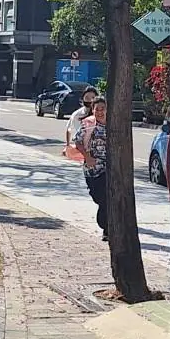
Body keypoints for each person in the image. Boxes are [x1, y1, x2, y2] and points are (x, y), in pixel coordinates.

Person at [81, 97, 109, 240]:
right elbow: (78, 142)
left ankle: (106, 229)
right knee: (97, 197)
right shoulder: (88, 125)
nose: (99, 112)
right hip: (91, 169)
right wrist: (87, 157)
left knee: (106, 199)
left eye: (102, 109)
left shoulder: (112, 126)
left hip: (107, 169)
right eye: (96, 109)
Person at [64, 87, 98, 160]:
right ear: (82, 99)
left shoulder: (100, 113)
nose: (90, 100)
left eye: (93, 97)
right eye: (87, 97)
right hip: (85, 150)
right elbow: (69, 129)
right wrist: (67, 145)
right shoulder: (77, 114)